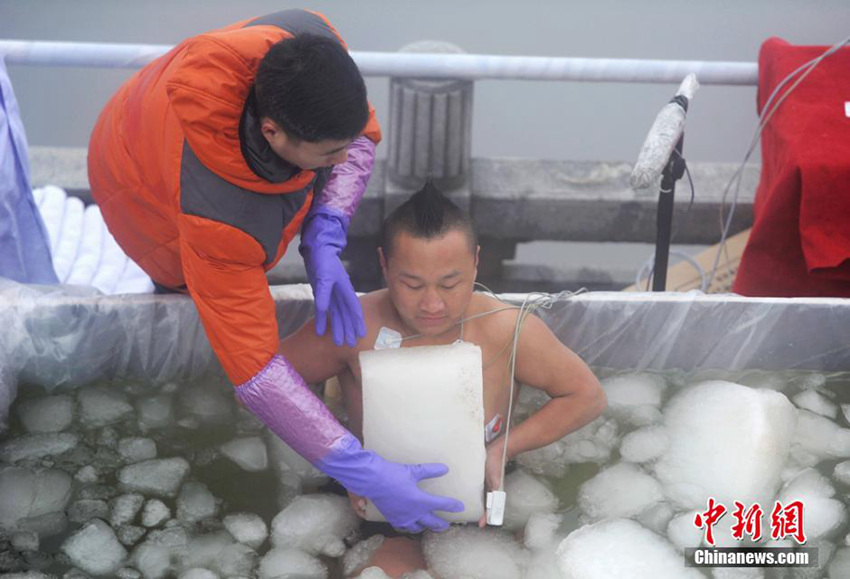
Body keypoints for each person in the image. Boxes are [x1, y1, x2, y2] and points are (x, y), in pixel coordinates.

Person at [87, 9, 462, 533]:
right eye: (328, 153)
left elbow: (357, 138)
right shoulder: (218, 223)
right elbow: (257, 374)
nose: (342, 157)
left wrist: (325, 230)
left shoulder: (308, 36)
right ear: (271, 131)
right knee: (190, 288)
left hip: (156, 105)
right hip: (134, 181)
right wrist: (361, 469)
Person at [280, 182, 607, 574]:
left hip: (482, 493)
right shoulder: (356, 324)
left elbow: (586, 395)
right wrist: (345, 459)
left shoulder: (507, 329)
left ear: (476, 263)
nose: (432, 304)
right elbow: (267, 384)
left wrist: (504, 449)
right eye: (412, 284)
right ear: (384, 265)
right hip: (373, 498)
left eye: (450, 284)